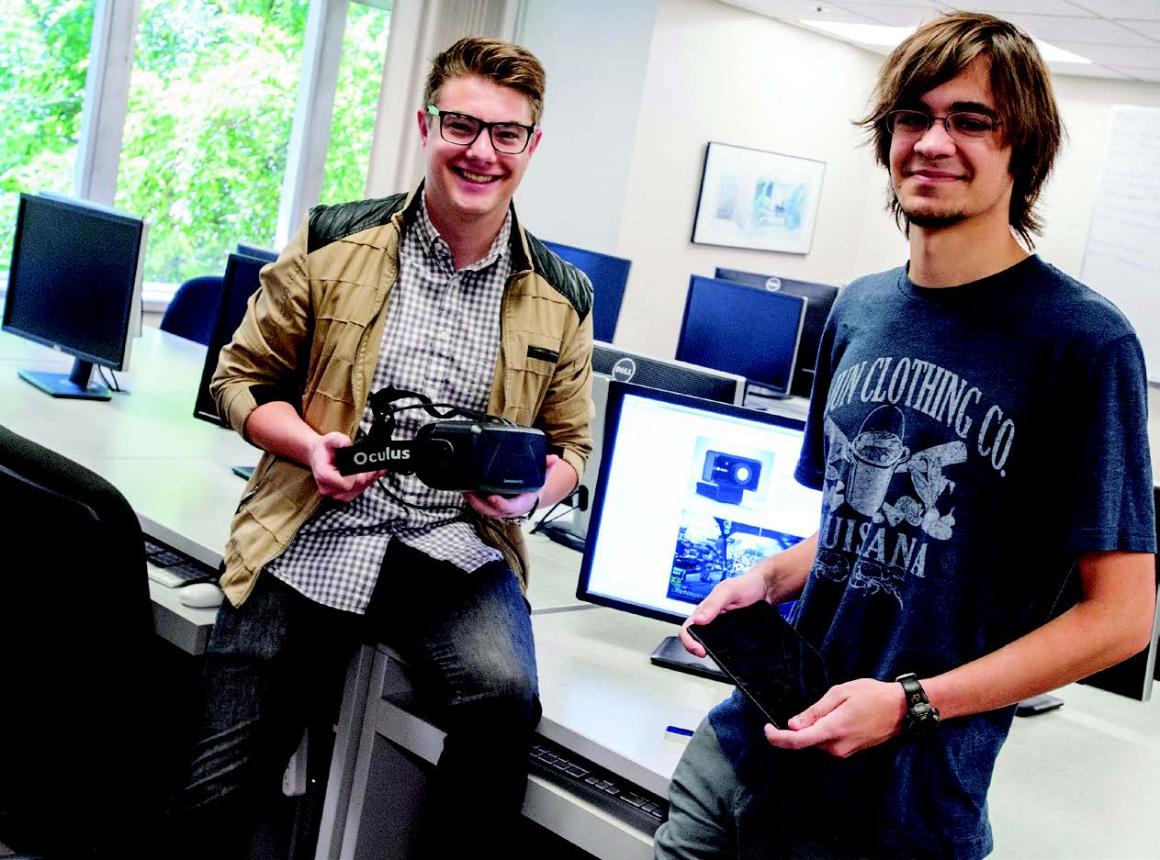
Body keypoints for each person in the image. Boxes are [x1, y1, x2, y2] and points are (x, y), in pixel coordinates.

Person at [655, 12, 1156, 859]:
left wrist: (909, 703)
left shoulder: (1083, 344)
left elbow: (1122, 620)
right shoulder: (859, 308)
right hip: (754, 743)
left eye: (970, 120)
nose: (933, 142)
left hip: (900, 799)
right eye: (913, 118)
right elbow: (862, 517)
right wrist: (772, 575)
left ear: (1021, 150)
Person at [176, 36, 593, 858]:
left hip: (456, 546)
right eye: (462, 126)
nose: (482, 152)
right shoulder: (335, 241)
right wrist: (306, 446)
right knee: (215, 793)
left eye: (507, 134)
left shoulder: (561, 295)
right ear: (425, 124)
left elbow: (573, 447)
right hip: (314, 531)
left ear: (532, 146)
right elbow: (238, 381)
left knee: (504, 704)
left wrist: (532, 494)